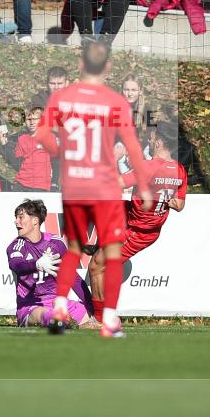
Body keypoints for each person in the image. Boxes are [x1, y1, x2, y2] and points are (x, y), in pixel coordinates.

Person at [34, 37, 152, 338]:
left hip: (74, 184)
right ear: (108, 67)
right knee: (111, 251)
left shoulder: (63, 97)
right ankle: (109, 321)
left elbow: (43, 134)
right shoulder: (115, 102)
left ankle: (60, 309)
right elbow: (133, 148)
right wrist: (144, 184)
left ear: (80, 63)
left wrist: (60, 153)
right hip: (104, 187)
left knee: (73, 247)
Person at [88, 123, 186, 322]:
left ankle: (100, 319)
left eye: (150, 139)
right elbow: (180, 205)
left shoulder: (149, 166)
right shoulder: (180, 170)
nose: (148, 142)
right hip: (143, 224)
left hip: (138, 229)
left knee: (97, 266)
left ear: (158, 142)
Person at [7, 199, 97, 329]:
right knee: (45, 314)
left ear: (35, 221)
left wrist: (92, 308)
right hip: (30, 305)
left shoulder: (56, 243)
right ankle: (58, 319)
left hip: (57, 302)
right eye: (16, 217)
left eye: (21, 217)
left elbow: (72, 277)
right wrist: (36, 265)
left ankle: (67, 319)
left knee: (105, 319)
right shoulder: (16, 245)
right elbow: (16, 266)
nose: (16, 221)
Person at [0, 106, 52, 192]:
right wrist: (5, 145)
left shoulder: (49, 137)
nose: (31, 122)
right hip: (21, 184)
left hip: (40, 186)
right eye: (28, 119)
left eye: (35, 119)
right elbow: (17, 163)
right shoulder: (22, 138)